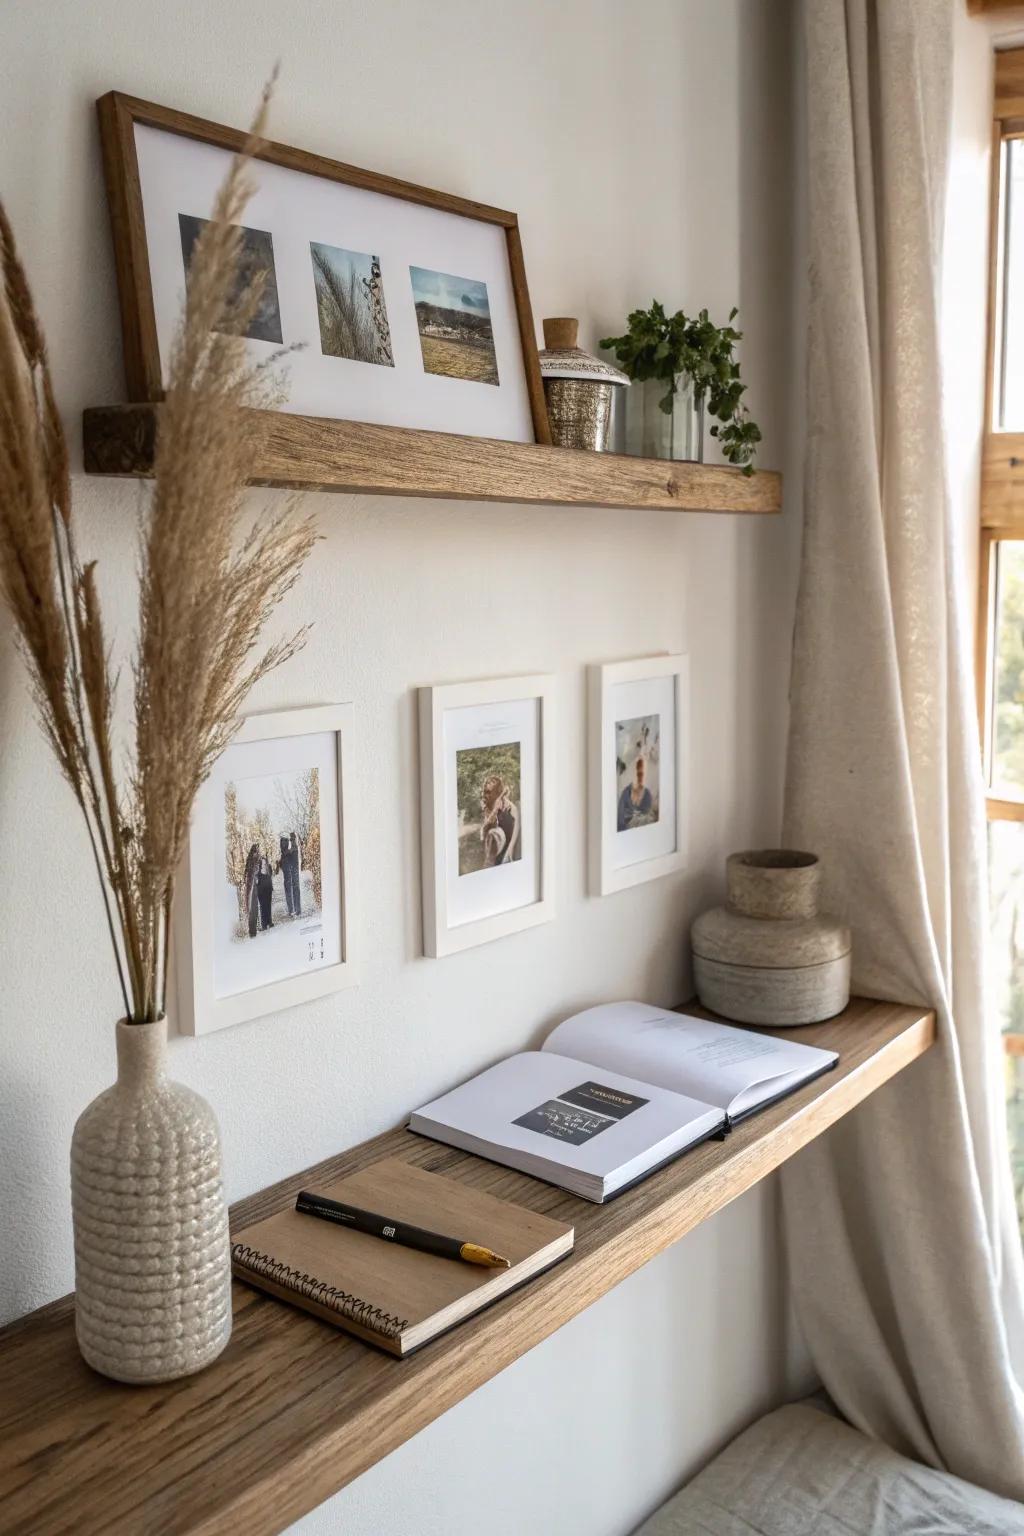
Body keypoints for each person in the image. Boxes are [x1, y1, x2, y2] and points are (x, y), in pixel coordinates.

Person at [480, 776, 519, 866]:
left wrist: (510, 850)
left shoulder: (510, 810)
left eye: (488, 792)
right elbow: (484, 833)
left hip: (506, 855)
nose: (484, 795)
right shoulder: (489, 807)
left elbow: (515, 829)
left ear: (497, 793)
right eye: (484, 792)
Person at [618, 756, 654, 831]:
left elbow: (650, 823)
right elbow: (620, 822)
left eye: (642, 773)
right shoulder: (626, 793)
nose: (640, 776)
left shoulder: (647, 795)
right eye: (638, 773)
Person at [243, 843, 260, 938]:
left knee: (253, 907)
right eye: (256, 850)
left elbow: (249, 872)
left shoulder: (255, 859)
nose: (256, 852)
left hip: (253, 885)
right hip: (251, 885)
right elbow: (247, 872)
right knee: (252, 907)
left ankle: (253, 930)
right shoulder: (253, 859)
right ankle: (252, 931)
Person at [256, 855, 274, 932]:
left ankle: (268, 923)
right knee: (264, 905)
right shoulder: (258, 862)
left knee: (267, 904)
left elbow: (271, 871)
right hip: (262, 886)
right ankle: (266, 923)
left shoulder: (266, 861)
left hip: (266, 885)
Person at [277, 835, 293, 916]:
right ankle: (291, 910)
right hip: (287, 878)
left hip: (289, 878)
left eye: (283, 842)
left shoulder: (287, 853)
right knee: (288, 894)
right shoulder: (283, 854)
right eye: (281, 842)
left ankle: (291, 910)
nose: (282, 844)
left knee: (289, 894)